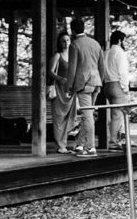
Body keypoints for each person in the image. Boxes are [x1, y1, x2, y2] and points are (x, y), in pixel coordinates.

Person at [66, 16, 105, 156]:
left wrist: (69, 87)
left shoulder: (75, 45)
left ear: (73, 31)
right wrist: (101, 81)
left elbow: (72, 69)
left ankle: (90, 147)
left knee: (87, 116)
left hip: (83, 84)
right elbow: (102, 66)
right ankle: (80, 145)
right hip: (96, 83)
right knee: (87, 115)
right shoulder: (95, 43)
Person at [48, 30, 78, 153]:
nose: (66, 43)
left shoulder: (72, 55)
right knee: (59, 118)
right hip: (59, 90)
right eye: (63, 41)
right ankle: (60, 145)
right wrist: (61, 79)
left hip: (70, 91)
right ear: (59, 43)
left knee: (68, 118)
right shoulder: (57, 55)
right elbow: (50, 72)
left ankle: (63, 144)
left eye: (67, 40)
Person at [103, 30, 129, 150]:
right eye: (124, 40)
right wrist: (125, 87)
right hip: (117, 84)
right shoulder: (119, 52)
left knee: (115, 114)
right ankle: (113, 142)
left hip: (107, 85)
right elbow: (122, 72)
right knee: (117, 115)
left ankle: (120, 138)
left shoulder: (105, 53)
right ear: (120, 41)